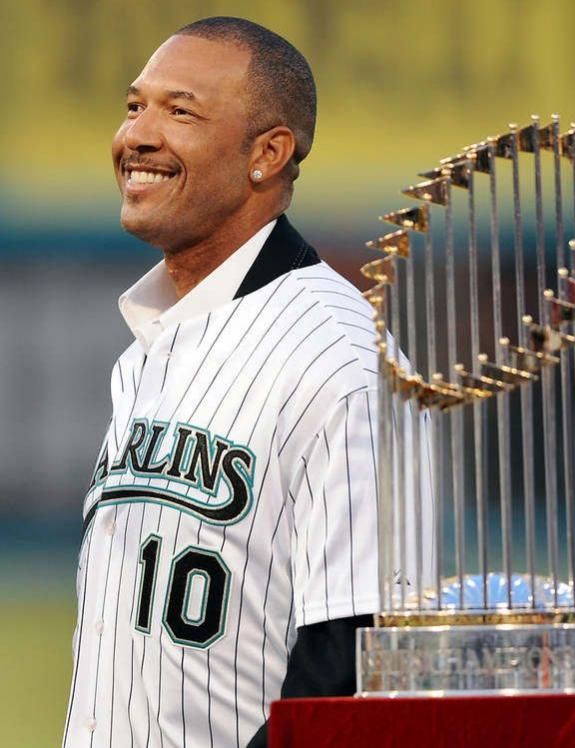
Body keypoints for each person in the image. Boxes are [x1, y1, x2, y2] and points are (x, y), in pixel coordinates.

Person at [62, 17, 382, 748]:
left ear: (267, 154)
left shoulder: (338, 357)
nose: (137, 135)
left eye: (181, 112)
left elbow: (352, 662)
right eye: (135, 105)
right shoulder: (150, 342)